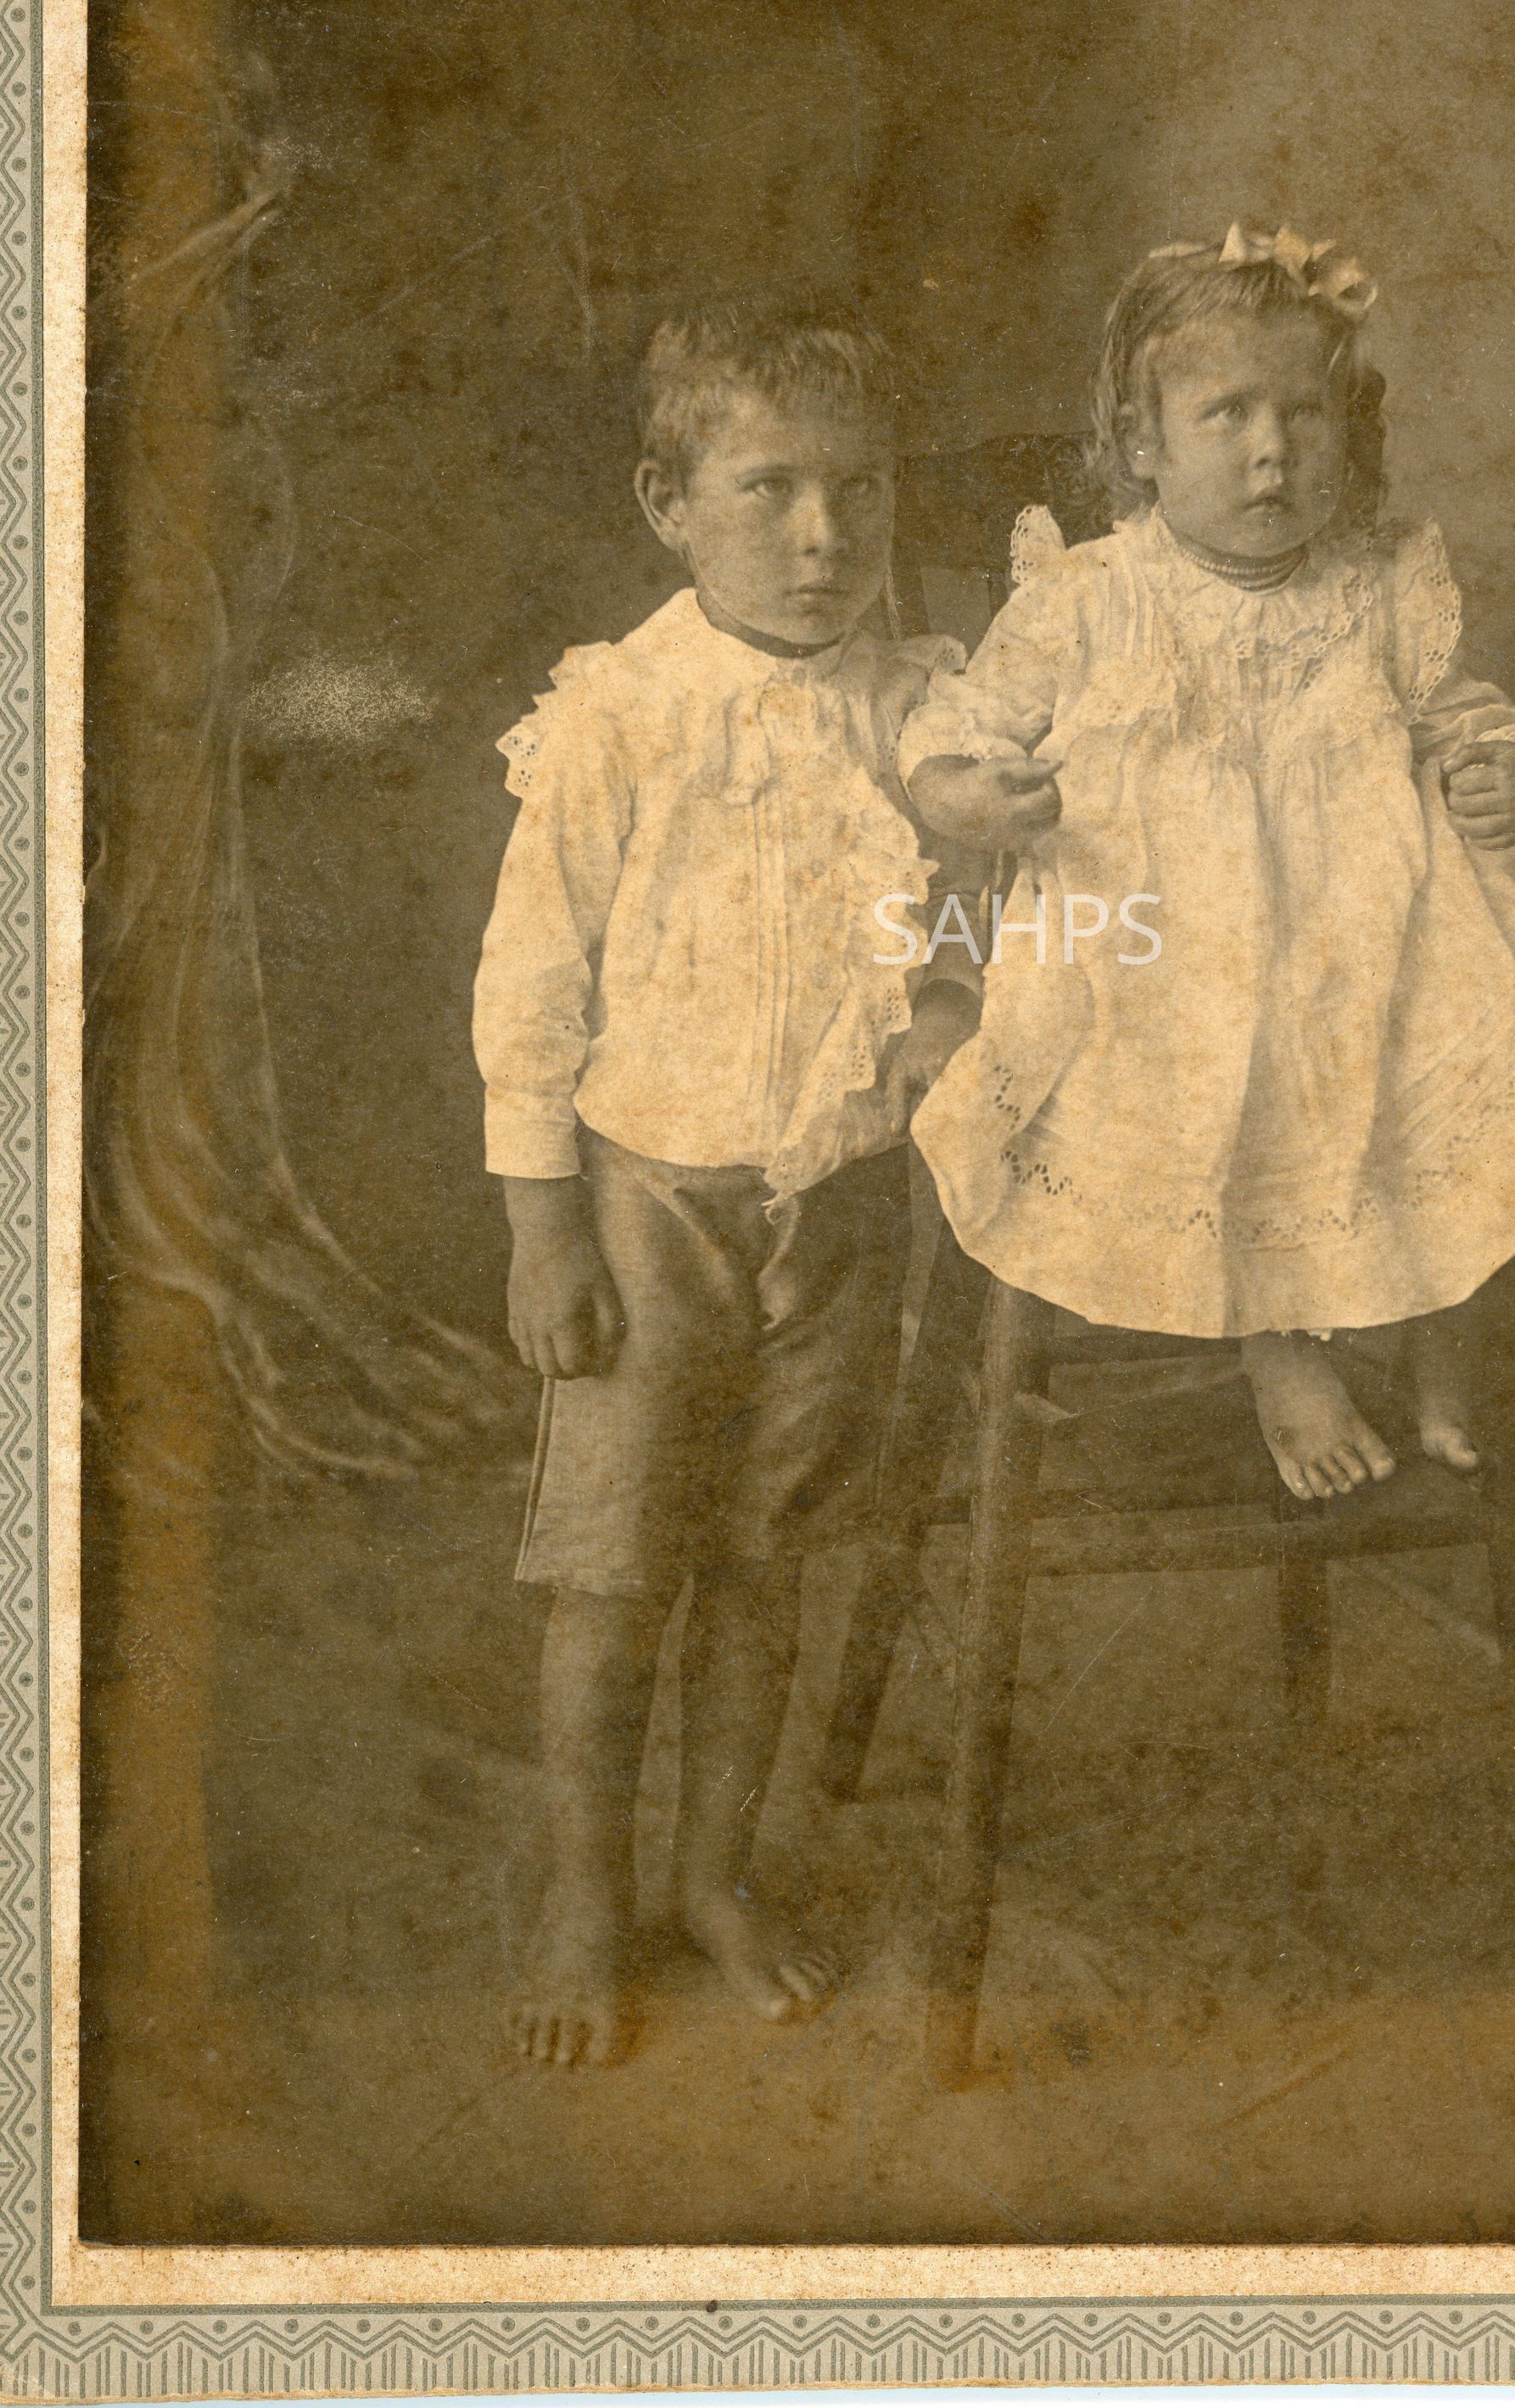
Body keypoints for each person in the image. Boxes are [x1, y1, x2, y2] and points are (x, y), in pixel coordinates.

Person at [900, 223, 1515, 1502]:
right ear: (1142, 444)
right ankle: (1277, 1342)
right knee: (1238, 1043)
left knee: (1448, 1022)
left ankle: (1436, 1320)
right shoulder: (1087, 596)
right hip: (1155, 945)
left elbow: (1460, 715)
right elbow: (952, 730)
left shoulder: (1377, 584)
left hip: (1368, 924)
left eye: (1305, 413)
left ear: (1349, 432)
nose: (1272, 448)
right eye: (1227, 414)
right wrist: (973, 795)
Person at [473, 298, 974, 2067]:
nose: (826, 533)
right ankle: (583, 1890)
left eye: (861, 487)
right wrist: (543, 1220)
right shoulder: (622, 711)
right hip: (648, 1203)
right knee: (617, 1576)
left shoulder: (922, 709)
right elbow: (534, 975)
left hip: (834, 1204)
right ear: (667, 503)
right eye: (772, 489)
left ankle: (713, 1874)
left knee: (767, 1562)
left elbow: (977, 904)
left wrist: (947, 996)